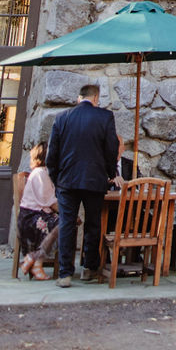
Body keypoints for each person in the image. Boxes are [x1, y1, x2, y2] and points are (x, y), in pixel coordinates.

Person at [45, 82, 119, 288]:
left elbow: (52, 154)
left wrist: (56, 177)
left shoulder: (62, 118)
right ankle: (89, 268)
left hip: (67, 180)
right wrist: (110, 173)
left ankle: (65, 274)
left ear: (80, 98)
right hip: (94, 179)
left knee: (67, 225)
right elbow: (111, 149)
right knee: (93, 224)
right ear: (96, 98)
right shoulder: (105, 117)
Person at [18, 143, 58, 281]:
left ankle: (34, 261)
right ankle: (35, 259)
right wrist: (69, 213)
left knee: (62, 222)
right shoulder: (40, 173)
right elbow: (51, 202)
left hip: (33, 214)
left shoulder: (42, 172)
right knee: (65, 222)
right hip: (31, 217)